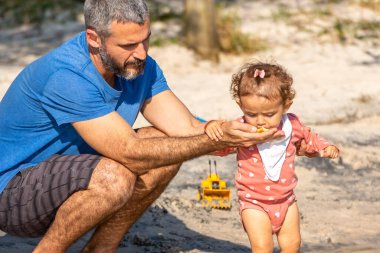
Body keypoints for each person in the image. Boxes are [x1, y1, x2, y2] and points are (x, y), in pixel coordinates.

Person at [0, 1, 287, 252]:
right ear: (93, 39)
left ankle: (101, 250)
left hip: (70, 176)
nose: (141, 53)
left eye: (145, 40)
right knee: (116, 176)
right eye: (128, 45)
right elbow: (130, 152)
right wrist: (215, 140)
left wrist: (240, 134)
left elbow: (184, 127)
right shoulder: (67, 76)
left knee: (163, 145)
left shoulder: (141, 66)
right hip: (12, 195)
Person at [205, 61, 340, 253]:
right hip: (254, 203)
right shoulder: (242, 129)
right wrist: (212, 128)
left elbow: (309, 138)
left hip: (286, 200)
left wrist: (326, 147)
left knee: (292, 245)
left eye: (269, 114)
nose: (260, 120)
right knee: (262, 247)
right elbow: (220, 145)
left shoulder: (292, 125)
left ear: (286, 105)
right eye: (251, 113)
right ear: (240, 105)